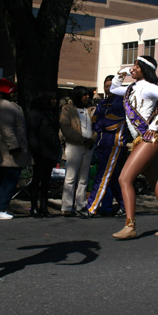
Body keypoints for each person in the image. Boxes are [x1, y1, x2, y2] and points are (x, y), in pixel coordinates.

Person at [109, 55, 158, 238]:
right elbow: (113, 88)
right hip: (142, 141)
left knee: (124, 179)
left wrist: (155, 125)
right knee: (157, 184)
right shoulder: (130, 89)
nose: (133, 68)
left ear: (144, 69)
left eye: (136, 66)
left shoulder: (149, 87)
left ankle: (130, 226)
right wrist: (122, 72)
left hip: (150, 139)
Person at [86, 75, 127, 217]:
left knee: (102, 176)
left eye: (111, 86)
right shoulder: (102, 103)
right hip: (102, 143)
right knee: (114, 178)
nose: (108, 89)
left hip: (114, 143)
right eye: (106, 86)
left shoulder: (122, 102)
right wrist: (100, 125)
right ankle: (125, 206)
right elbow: (94, 120)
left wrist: (101, 124)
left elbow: (113, 122)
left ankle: (91, 207)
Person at [0, 78, 31, 220]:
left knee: (7, 179)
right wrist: (14, 146)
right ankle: (0, 208)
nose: (16, 94)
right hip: (10, 151)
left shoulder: (6, 106)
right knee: (9, 179)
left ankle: (0, 207)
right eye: (14, 92)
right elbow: (6, 129)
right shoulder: (5, 107)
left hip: (10, 150)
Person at [59, 86, 96, 217]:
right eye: (84, 94)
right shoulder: (67, 109)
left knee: (83, 178)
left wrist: (92, 139)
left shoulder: (91, 110)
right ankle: (67, 207)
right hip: (74, 146)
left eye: (88, 94)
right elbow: (66, 128)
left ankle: (81, 205)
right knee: (70, 177)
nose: (87, 97)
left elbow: (97, 127)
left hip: (88, 147)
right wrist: (82, 140)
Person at [26, 92, 61, 217]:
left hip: (50, 150)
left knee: (46, 181)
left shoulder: (49, 113)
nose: (55, 101)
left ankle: (44, 207)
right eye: (52, 99)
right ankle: (34, 207)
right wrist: (36, 150)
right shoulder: (35, 114)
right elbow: (32, 133)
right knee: (37, 180)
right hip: (41, 151)